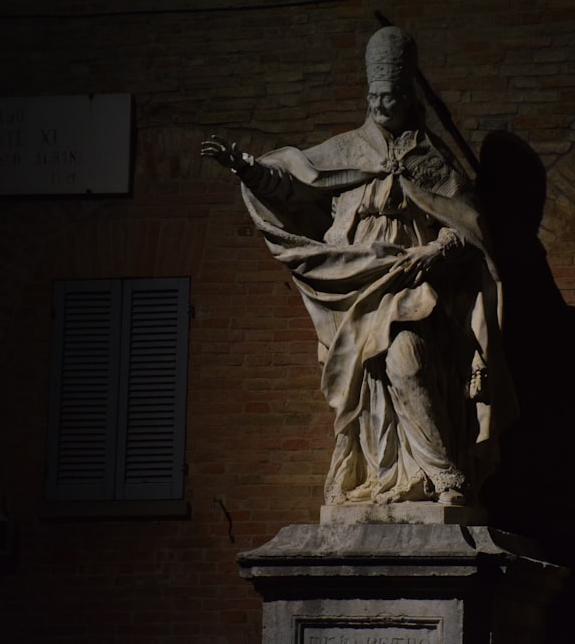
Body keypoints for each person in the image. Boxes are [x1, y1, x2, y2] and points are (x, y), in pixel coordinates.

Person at [201, 26, 514, 506]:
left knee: (405, 358)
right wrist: (246, 169)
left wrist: (437, 250)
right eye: (374, 96)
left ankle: (442, 475)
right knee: (371, 379)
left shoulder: (431, 160)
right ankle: (386, 472)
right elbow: (290, 185)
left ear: (409, 97)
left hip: (410, 279)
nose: (380, 105)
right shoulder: (346, 151)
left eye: (390, 97)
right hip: (353, 280)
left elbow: (469, 227)